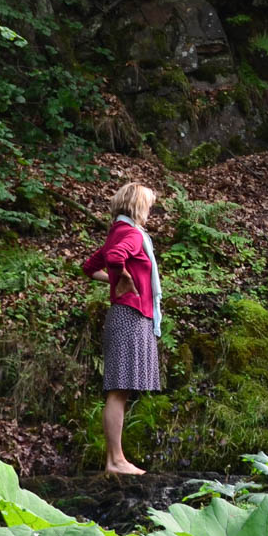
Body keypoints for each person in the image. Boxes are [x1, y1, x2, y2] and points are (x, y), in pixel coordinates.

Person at [81, 182, 163, 475]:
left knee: (121, 390)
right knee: (118, 390)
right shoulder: (131, 234)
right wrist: (124, 278)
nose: (150, 212)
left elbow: (90, 267)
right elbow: (115, 258)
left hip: (126, 314)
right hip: (130, 316)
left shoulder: (117, 232)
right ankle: (115, 461)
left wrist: (116, 282)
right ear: (138, 206)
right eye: (149, 206)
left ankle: (117, 458)